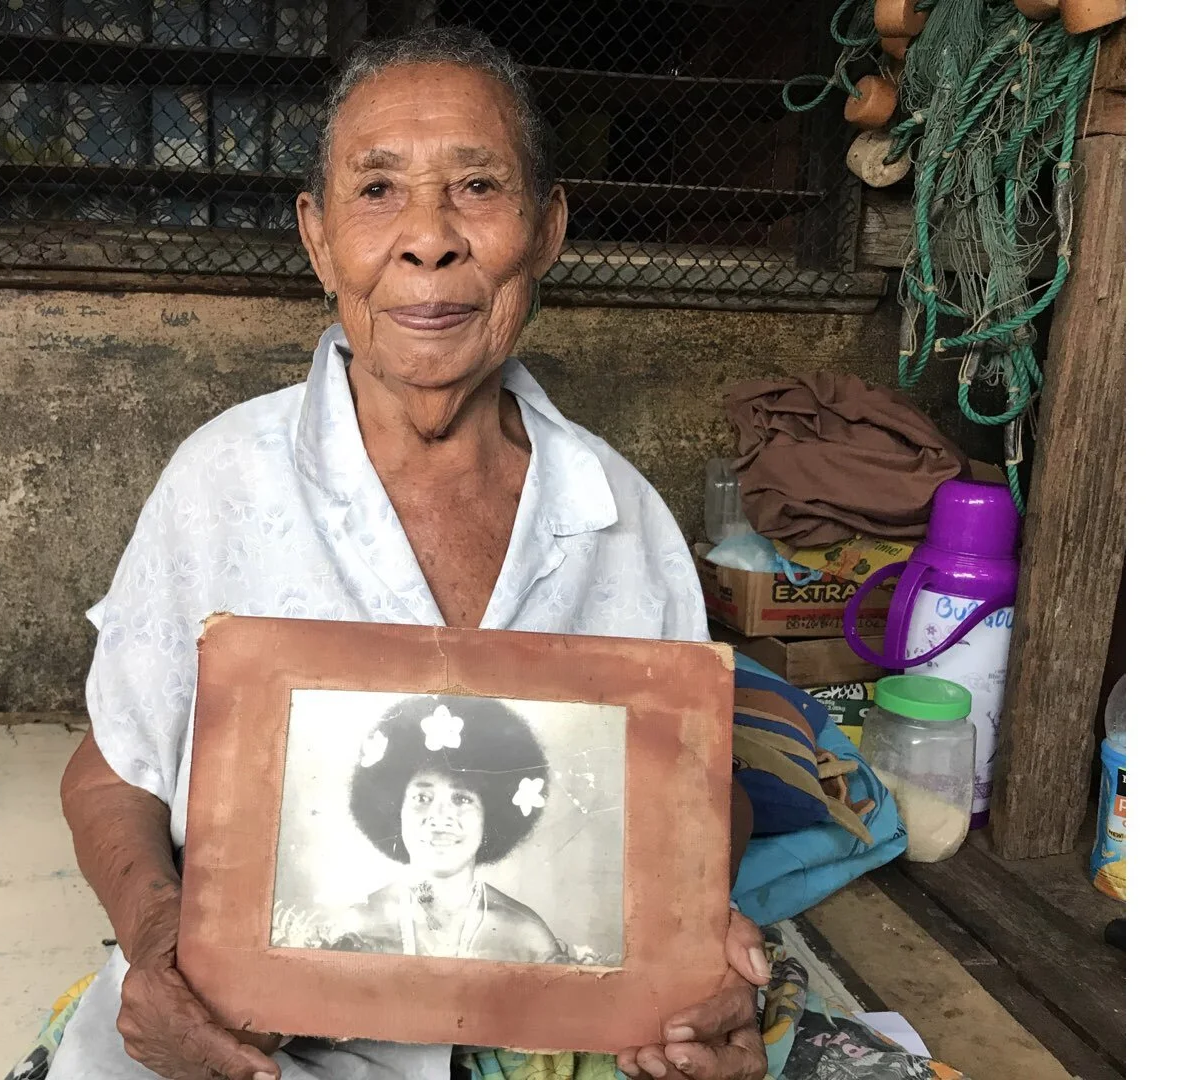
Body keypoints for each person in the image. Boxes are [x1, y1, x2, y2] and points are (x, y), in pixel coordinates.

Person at [54, 25, 765, 1080]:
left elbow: (699, 788)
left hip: (562, 1031)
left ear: (549, 225)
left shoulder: (619, 512)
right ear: (317, 236)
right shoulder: (223, 482)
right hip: (261, 1026)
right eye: (377, 191)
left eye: (477, 186)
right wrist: (160, 936)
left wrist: (701, 926)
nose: (428, 242)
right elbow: (113, 773)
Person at [323, 696, 566, 963]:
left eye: (461, 799)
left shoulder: (528, 939)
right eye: (422, 798)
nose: (439, 818)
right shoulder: (356, 929)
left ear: (490, 816)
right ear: (395, 810)